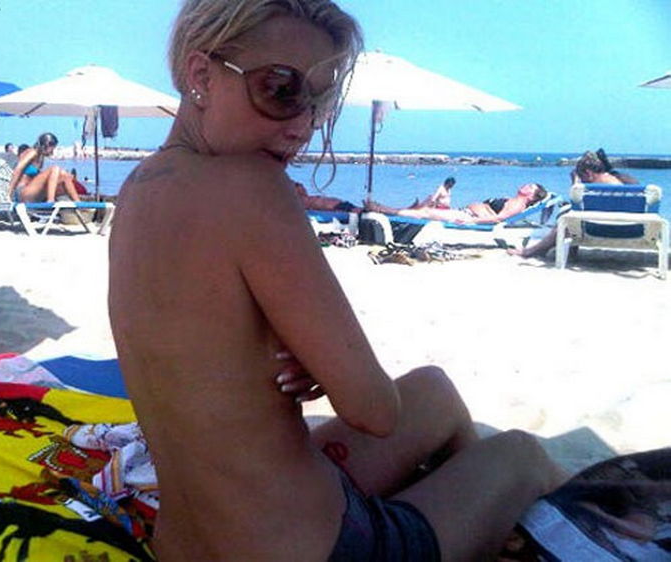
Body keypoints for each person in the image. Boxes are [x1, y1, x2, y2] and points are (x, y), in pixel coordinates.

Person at [108, 1, 566, 561]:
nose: (302, 125)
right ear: (202, 75)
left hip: (185, 546)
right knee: (522, 455)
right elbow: (374, 410)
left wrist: (297, 354)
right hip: (319, 548)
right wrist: (321, 367)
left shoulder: (139, 186)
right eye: (281, 90)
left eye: (319, 102)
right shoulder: (253, 187)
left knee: (435, 390)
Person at [508, 150, 639, 258]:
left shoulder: (593, 191)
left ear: (588, 173)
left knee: (567, 219)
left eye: (582, 177)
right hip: (632, 230)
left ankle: (533, 251)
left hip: (599, 230)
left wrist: (575, 184)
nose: (583, 181)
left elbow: (576, 208)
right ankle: (566, 251)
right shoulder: (625, 183)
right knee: (570, 216)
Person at [366, 182, 548, 224]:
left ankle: (382, 209)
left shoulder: (517, 205)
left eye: (530, 187)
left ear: (531, 196)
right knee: (425, 208)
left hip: (467, 216)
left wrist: (472, 220)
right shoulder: (513, 200)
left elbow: (498, 219)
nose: (526, 185)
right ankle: (383, 209)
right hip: (466, 212)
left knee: (425, 212)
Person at [8, 132, 80, 203]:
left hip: (33, 191)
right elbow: (18, 170)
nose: (52, 152)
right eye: (52, 149)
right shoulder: (32, 153)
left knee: (64, 175)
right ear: (46, 145)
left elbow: (38, 178)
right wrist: (9, 194)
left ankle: (79, 204)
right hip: (23, 192)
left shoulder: (41, 157)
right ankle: (50, 201)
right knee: (55, 169)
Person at [294, 181, 360, 212]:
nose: (304, 189)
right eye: (301, 187)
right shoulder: (302, 201)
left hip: (340, 204)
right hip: (336, 207)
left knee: (357, 209)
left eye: (303, 187)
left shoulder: (308, 198)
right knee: (357, 210)